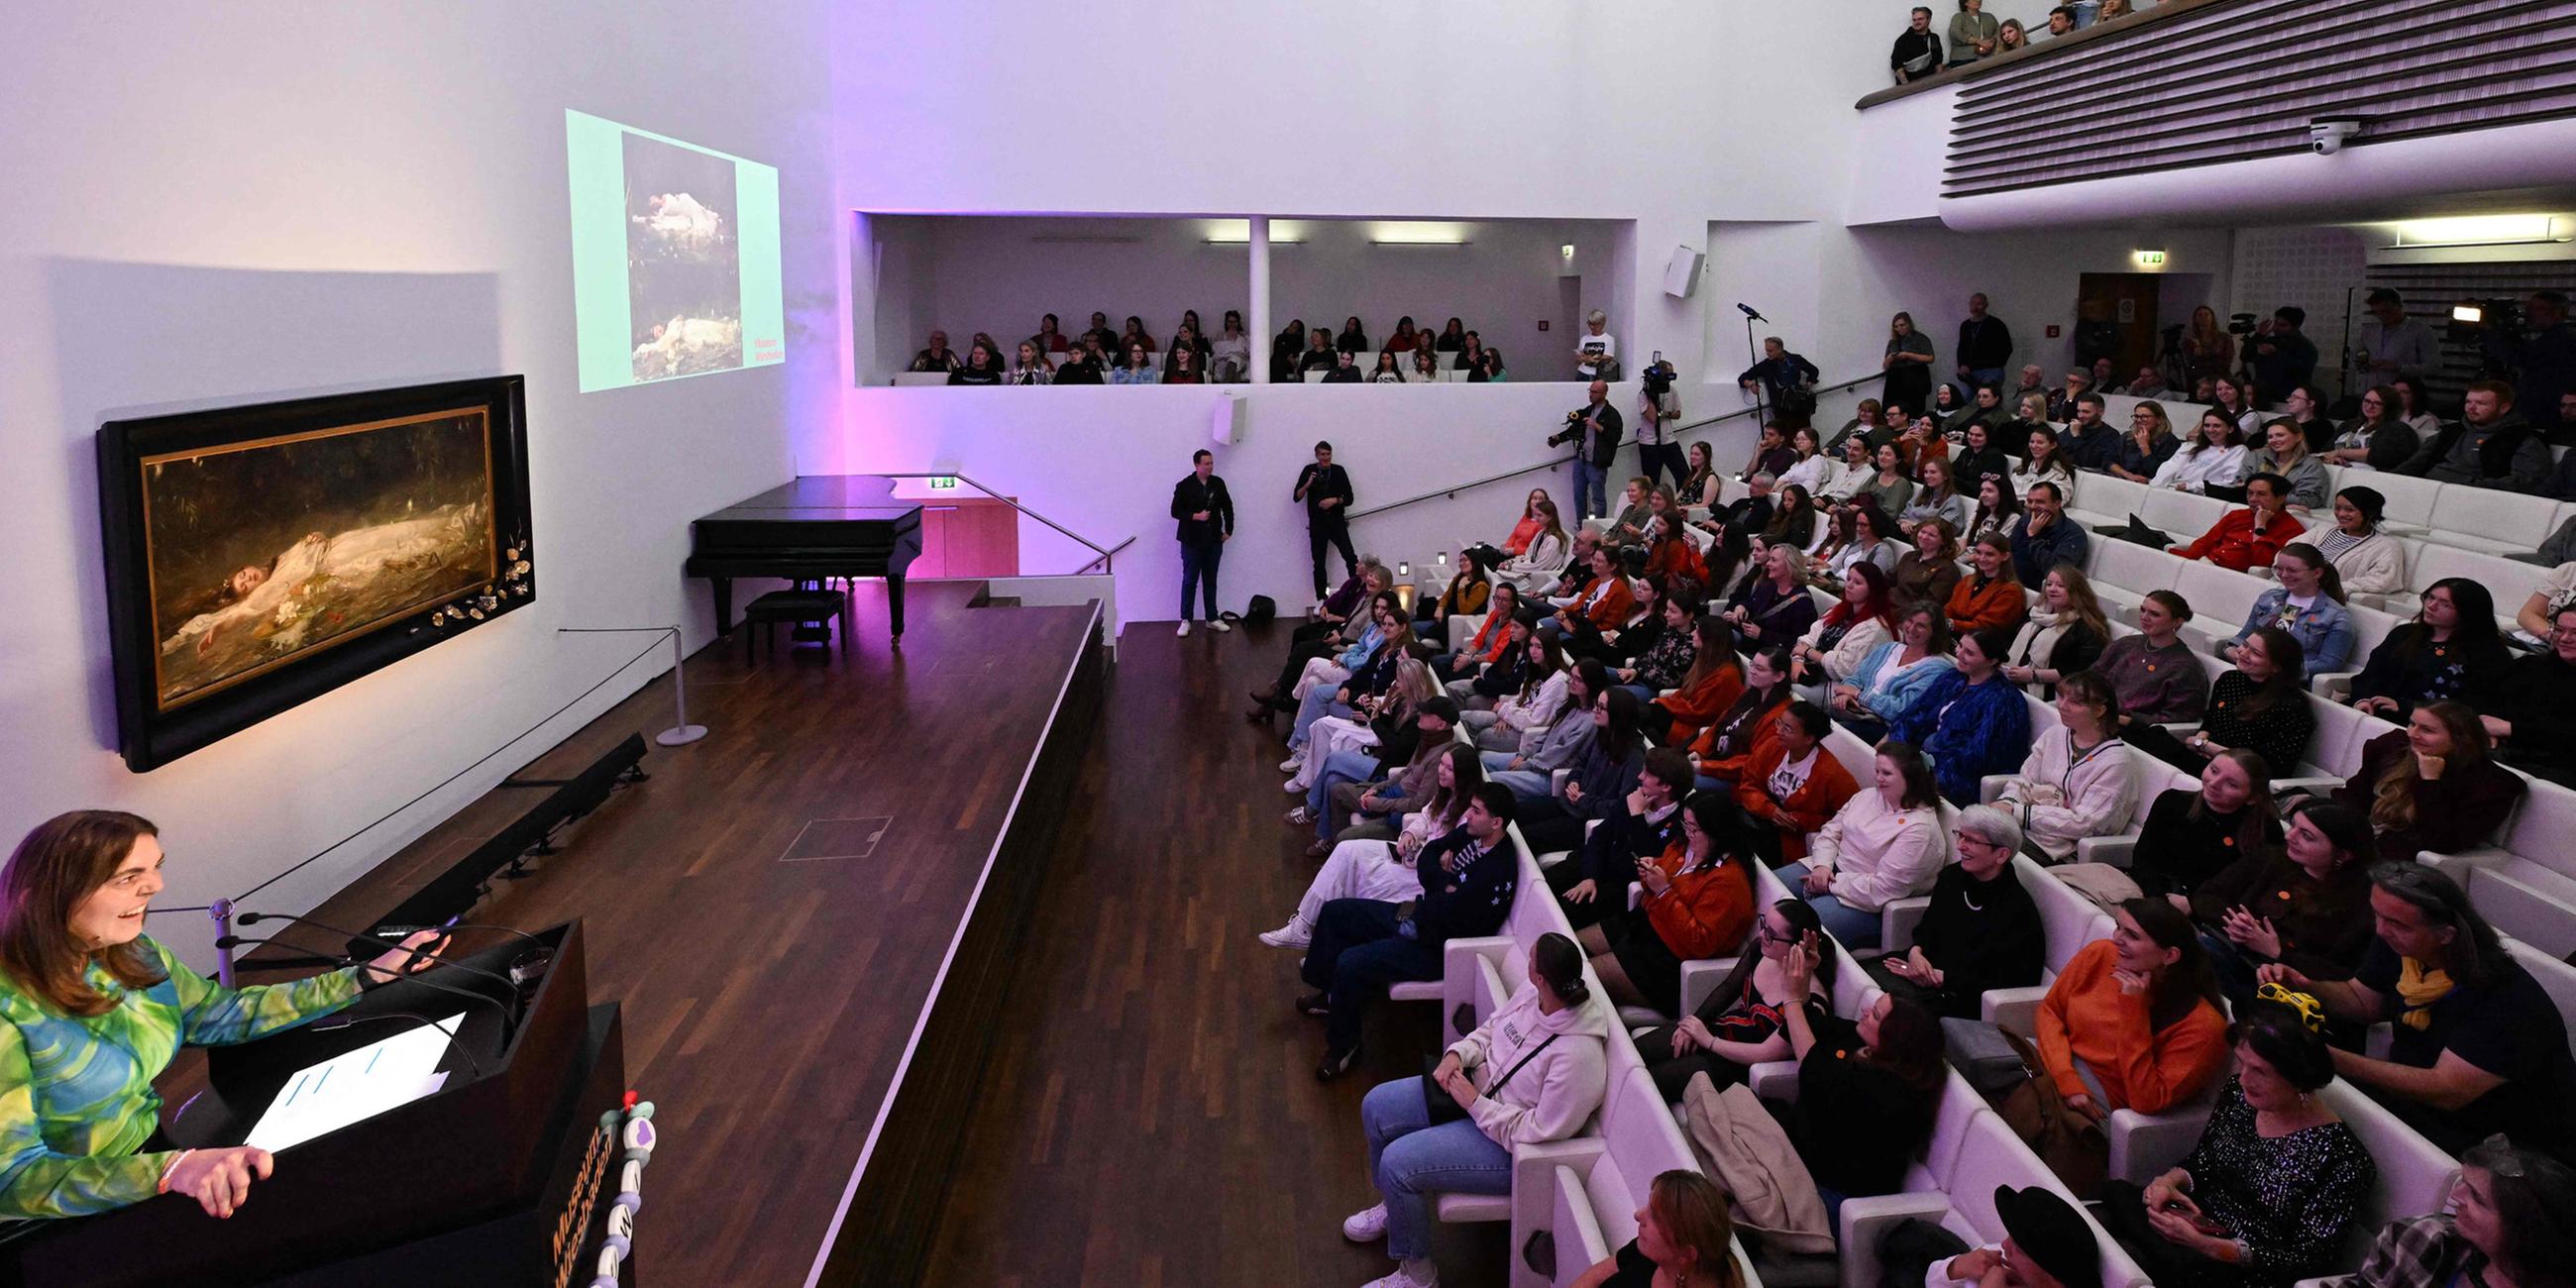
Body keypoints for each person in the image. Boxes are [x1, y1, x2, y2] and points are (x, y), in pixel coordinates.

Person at [0, 812, 449, 1222]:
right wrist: (170, 1170)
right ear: (44, 897)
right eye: (127, 877)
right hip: (63, 1218)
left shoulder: (129, 952)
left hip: (151, 1160)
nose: (155, 886)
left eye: (155, 867)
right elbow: (15, 1182)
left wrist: (364, 977)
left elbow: (221, 1015)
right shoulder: (8, 1009)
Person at [1345, 932, 1611, 1288]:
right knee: (1376, 1107)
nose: (1526, 965)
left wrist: (1475, 1103)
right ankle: (1395, 1211)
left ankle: (1419, 1276)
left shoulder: (1580, 1056)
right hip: (1474, 1095)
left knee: (1397, 1164)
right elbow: (1490, 1030)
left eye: (1530, 961)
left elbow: (1538, 1131)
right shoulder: (1534, 995)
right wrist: (1458, 1054)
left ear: (1541, 977)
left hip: (1507, 1148)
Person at [2258, 864, 2576, 1160]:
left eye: (2395, 923)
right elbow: (2363, 1001)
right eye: (2377, 916)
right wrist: (2307, 985)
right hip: (2421, 1107)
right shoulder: (2403, 946)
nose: (2380, 930)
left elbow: (2446, 1091)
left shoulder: (2507, 1001)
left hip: (2499, 1143)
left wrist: (2327, 1057)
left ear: (2446, 934)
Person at [2098, 1001, 2375, 1288]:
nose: (2244, 1079)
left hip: (2244, 1271)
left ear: (2300, 1078)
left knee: (2120, 1262)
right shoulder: (2239, 1096)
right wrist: (2169, 1183)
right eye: (2242, 1064)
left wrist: (2208, 1246)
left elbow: (2306, 1260)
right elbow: (2203, 1161)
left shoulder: (2344, 1159)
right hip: (2193, 1225)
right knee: (2090, 1230)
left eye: (2260, 1071)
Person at [1301, 784, 1521, 1078]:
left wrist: (1437, 888)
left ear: (1496, 823)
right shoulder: (1472, 833)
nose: (1467, 815)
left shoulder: (1497, 871)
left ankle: (1344, 1046)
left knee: (1351, 963)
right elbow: (1430, 853)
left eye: (1476, 811)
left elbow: (1454, 915)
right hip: (1418, 915)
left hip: (1433, 947)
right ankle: (1328, 993)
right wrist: (1444, 882)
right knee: (1335, 912)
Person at [1773, 942, 1944, 1226]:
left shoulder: (1892, 1094)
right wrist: (1808, 977)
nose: (1865, 1011)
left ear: (1894, 1040)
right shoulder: (1866, 1045)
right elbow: (1817, 1025)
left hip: (1828, 1191)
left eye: (1875, 1015)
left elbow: (1814, 1071)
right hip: (1798, 1153)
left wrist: (1790, 998)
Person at [1263, 745, 1483, 950]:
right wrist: (1409, 833)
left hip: (1422, 874)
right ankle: (1303, 924)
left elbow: (1445, 860)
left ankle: (1329, 943)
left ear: (1463, 775)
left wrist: (1418, 850)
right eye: (1442, 765)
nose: (1441, 771)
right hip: (1411, 850)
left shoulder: (1469, 814)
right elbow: (1426, 817)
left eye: (1449, 769)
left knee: (1366, 878)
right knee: (1346, 850)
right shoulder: (1446, 793)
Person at [2035, 899, 2231, 1127]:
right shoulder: (2100, 953)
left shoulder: (2203, 1025)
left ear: (2170, 956)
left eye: (2132, 936)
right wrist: (2065, 1078)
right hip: (2057, 1061)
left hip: (2100, 1107)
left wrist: (2133, 1009)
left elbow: (2147, 1100)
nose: (2116, 939)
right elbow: (2050, 1011)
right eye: (2118, 927)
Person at [1630, 899, 1832, 1100]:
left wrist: (1709, 1042)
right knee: (1632, 1056)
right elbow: (1727, 988)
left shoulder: (1810, 1003)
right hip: (1721, 1030)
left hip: (1737, 1065)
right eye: (1763, 925)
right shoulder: (1761, 950)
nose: (1762, 935)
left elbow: (1765, 1053)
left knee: (1644, 1084)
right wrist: (1696, 1022)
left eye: (1771, 934)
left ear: (1798, 946)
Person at [1579, 791, 1757, 1015]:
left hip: (1667, 962)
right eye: (1685, 824)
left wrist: (1664, 891)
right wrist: (1650, 872)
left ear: (1717, 831)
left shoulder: (1728, 882)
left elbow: (1700, 942)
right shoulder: (1682, 844)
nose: (1687, 832)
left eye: (1694, 828)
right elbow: (1660, 878)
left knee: (1575, 976)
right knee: (1570, 949)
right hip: (1642, 924)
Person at [2190, 799, 2378, 1010]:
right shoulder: (2270, 858)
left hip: (2293, 991)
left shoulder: (2364, 903)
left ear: (2342, 855)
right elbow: (2207, 896)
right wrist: (2237, 922)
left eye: (2306, 836)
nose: (2290, 836)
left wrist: (2277, 951)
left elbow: (2347, 975)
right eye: (2293, 826)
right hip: (2234, 955)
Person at [1868, 805, 2045, 1019]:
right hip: (1924, 969)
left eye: (1971, 841)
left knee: (1888, 1010)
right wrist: (1916, 954)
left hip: (1963, 996)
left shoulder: (2017, 911)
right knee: (1852, 974)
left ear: (2001, 854)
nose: (1960, 846)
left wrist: (1941, 978)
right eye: (1960, 836)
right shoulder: (1952, 878)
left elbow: (2007, 980)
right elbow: (1927, 928)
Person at [2342, 1137, 2576, 1288]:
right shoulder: (2423, 1236)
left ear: (2524, 1230)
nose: (2455, 1196)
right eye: (2462, 1182)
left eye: (2476, 1197)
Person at [1781, 740, 1945, 947]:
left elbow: (1883, 888)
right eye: (1877, 771)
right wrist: (1822, 866)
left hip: (1866, 905)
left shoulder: (1920, 830)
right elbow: (1830, 832)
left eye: (1886, 773)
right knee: (1770, 892)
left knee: (1796, 930)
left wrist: (1830, 883)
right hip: (1828, 870)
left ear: (1911, 779)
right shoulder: (1867, 796)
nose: (1878, 779)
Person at [2331, 700, 2526, 863]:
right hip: (2358, 839)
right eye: (2411, 723)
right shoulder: (2392, 746)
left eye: (2427, 730)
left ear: (2460, 739)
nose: (2412, 734)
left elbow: (2440, 841)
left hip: (2396, 862)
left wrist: (2430, 781)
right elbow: (2352, 797)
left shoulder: (2493, 784)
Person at [1993, 671, 2138, 862]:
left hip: (2059, 851)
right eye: (2061, 696)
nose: (2062, 706)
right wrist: (2007, 803)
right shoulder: (2055, 734)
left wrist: (2019, 812)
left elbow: (2086, 823)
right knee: (1971, 833)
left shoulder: (2115, 763)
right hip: (2021, 829)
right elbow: (2024, 782)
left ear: (2100, 710)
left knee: (1986, 853)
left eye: (2075, 702)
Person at [1550, 746, 1692, 931]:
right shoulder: (1635, 794)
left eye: (1647, 774)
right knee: (1544, 885)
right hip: (1593, 863)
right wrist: (1590, 876)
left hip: (1620, 884)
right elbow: (1600, 836)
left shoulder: (1681, 824)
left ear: (1666, 786)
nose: (1640, 777)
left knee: (1563, 910)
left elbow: (1647, 861)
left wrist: (1637, 817)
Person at [2135, 627, 2314, 775]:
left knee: (2151, 740)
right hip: (2204, 757)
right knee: (2145, 736)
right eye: (2245, 645)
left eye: (2255, 653)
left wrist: (2208, 747)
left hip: (2240, 774)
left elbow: (2271, 764)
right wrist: (2201, 738)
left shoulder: (2292, 706)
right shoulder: (2230, 679)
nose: (2242, 653)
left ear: (2276, 667)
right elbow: (2210, 722)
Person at [1891, 626, 2032, 805]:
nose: (1959, 654)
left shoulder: (2003, 701)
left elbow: (1979, 757)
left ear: (1992, 661)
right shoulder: (1954, 676)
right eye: (1960, 646)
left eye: (1970, 653)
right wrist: (1895, 748)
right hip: (1924, 759)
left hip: (1959, 778)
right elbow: (1916, 713)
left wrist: (1923, 772)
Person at [2125, 749, 2284, 904]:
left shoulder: (2266, 830)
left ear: (2252, 798)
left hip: (2209, 911)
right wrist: (2159, 900)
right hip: (2150, 893)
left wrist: (2192, 904)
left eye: (2231, 784)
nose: (2214, 783)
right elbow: (2143, 857)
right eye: (2214, 771)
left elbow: (2250, 890)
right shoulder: (2172, 801)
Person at [2347, 580, 2510, 720]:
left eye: (2445, 604)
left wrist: (2407, 708)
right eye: (2430, 597)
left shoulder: (2488, 653)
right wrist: (2363, 700)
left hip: (2429, 727)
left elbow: (2473, 706)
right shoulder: (2404, 634)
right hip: (2374, 712)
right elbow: (2370, 675)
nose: (2431, 606)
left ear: (2468, 613)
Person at [1726, 701, 1861, 867]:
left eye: (1788, 729)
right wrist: (1769, 809)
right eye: (1779, 723)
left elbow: (1848, 820)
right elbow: (1748, 782)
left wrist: (1801, 820)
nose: (1778, 731)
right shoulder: (1773, 745)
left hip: (1791, 841)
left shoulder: (1833, 775)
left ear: (1809, 738)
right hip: (1757, 821)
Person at [1567, 1170, 1748, 1288]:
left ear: (1685, 1255)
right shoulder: (1650, 1252)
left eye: (1654, 1216)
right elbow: (1599, 1273)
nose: (1638, 1215)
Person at [1922, 1186, 2108, 1288]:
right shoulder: (2002, 1259)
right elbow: (1930, 1281)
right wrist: (1957, 1267)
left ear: (2055, 1279)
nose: (2005, 1244)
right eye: (2011, 1236)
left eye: (2019, 1248)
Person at [2221, 543, 2352, 678]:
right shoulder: (2269, 598)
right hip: (2251, 674)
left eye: (2292, 570)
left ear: (2317, 573)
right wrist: (2231, 650)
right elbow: (2244, 636)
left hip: (2291, 685)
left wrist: (2275, 668)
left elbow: (2328, 665)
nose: (2283, 575)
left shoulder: (2337, 617)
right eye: (2279, 569)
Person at [1833, 605, 1956, 743]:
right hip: (1852, 711)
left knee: (1829, 734)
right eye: (1909, 621)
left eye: (1920, 626)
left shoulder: (1937, 669)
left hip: (1884, 728)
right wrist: (1845, 694)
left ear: (1934, 632)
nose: (1911, 628)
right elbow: (1857, 677)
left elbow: (1902, 710)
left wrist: (1858, 695)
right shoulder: (1888, 648)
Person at [2399, 379, 2549, 491]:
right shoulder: (2451, 432)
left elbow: (2525, 481)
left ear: (2504, 408)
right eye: (2468, 402)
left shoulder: (2523, 439)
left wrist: (2473, 486)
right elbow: (2414, 464)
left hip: (2478, 499)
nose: (2471, 408)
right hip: (2426, 490)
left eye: (2481, 403)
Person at [2491, 604, 2576, 787]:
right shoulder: (2531, 666)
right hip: (2506, 749)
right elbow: (2494, 700)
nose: (2565, 639)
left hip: (2560, 766)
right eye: (2559, 630)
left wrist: (2511, 729)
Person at [2098, 590, 2208, 729]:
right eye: (2143, 610)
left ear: (2177, 621)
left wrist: (2127, 720)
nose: (2144, 617)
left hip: (2131, 730)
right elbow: (2093, 677)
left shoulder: (2185, 667)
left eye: (2154, 614)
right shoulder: (2126, 644)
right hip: (2096, 714)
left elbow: (2180, 716)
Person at [1790, 563, 1896, 707]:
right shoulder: (1840, 609)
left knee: (1785, 689)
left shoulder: (1874, 628)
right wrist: (1798, 660)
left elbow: (1845, 668)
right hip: (1811, 670)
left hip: (1839, 687)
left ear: (1872, 591)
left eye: (1857, 582)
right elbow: (1810, 637)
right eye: (1848, 579)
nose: (1849, 585)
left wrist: (1808, 652)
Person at [1687, 647, 1790, 791]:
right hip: (1717, 762)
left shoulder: (1779, 716)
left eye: (1760, 669)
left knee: (1684, 780)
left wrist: (1705, 766)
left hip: (1739, 779)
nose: (1752, 671)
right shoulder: (1750, 695)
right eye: (1752, 665)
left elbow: (1752, 762)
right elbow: (1720, 725)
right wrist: (1699, 751)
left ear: (1779, 676)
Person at [2001, 565, 2108, 699]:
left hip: (2049, 691)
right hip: (2010, 678)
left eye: (2060, 586)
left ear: (2076, 591)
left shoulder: (2087, 627)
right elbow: (2009, 638)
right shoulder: (2036, 612)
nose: (2052, 589)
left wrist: (2033, 675)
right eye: (2049, 584)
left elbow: (2080, 671)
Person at [2481, 288, 2575, 439]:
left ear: (2558, 313)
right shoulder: (2555, 338)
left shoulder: (2560, 340)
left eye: (2537, 309)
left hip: (2546, 412)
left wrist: (2491, 333)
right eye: (2528, 308)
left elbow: (2517, 357)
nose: (2529, 314)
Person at [2170, 474, 2306, 573]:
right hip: (2206, 565)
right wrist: (2185, 565)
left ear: (2281, 498)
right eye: (2250, 493)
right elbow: (2205, 543)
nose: (2253, 499)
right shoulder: (2237, 515)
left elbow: (2263, 563)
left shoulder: (2293, 530)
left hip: (2236, 578)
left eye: (2261, 494)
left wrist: (2260, 527)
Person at [1170, 450, 1234, 636]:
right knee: (1189, 580)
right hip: (1191, 541)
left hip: (1213, 540)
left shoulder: (1218, 483)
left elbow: (1228, 506)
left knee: (1210, 580)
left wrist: (1229, 530)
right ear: (1196, 465)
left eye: (1211, 463)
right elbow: (1175, 511)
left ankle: (1212, 617)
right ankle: (1186, 619)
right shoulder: (1185, 485)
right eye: (1206, 463)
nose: (1210, 467)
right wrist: (1195, 516)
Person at [1550, 380, 1626, 522]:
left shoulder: (1612, 414)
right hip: (1581, 459)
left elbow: (1615, 437)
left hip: (1597, 462)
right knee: (1579, 494)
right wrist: (1558, 438)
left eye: (1594, 392)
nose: (1591, 394)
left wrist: (1597, 426)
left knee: (1598, 498)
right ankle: (1581, 525)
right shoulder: (1588, 410)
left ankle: (1598, 527)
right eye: (1590, 391)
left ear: (1604, 393)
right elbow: (1574, 429)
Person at [2308, 487, 2405, 597]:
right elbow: (2290, 551)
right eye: (2337, 508)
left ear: (2369, 513)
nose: (2341, 514)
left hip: (2327, 598)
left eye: (2349, 509)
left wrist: (2332, 588)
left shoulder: (2387, 546)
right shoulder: (2322, 530)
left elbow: (2382, 581)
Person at [1723, 542, 1817, 655]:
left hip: (1769, 654)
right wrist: (1741, 607)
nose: (1767, 564)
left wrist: (1762, 634)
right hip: (1748, 642)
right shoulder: (1769, 586)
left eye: (1773, 560)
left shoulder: (1803, 603)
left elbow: (1799, 642)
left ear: (1789, 565)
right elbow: (1750, 603)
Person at [2237, 420, 2328, 512]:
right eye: (2270, 437)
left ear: (2298, 437)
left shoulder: (2312, 465)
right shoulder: (2256, 456)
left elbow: (2309, 499)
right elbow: (2245, 485)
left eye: (2280, 435)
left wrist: (2271, 498)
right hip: (2246, 502)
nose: (2274, 440)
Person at [2326, 384, 2421, 473]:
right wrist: (2331, 458)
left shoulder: (2398, 429)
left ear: (2389, 407)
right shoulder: (2348, 425)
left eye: (2378, 403)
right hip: (2333, 471)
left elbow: (2382, 456)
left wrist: (2340, 452)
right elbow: (2326, 450)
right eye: (2367, 401)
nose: (2370, 406)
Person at [1948, 532, 2028, 637]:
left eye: (1989, 554)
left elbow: (1985, 627)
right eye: (1978, 552)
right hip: (1951, 634)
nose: (1982, 558)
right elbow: (1949, 609)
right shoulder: (1968, 580)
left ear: (2005, 556)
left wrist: (1950, 624)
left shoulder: (2011, 591)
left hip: (1977, 644)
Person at [2153, 409, 2250, 494]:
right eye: (2207, 425)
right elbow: (2169, 468)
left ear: (2230, 429)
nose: (2211, 430)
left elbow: (2231, 482)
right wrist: (2153, 488)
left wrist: (2192, 486)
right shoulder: (2190, 446)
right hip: (2171, 489)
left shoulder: (2239, 450)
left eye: (2217, 426)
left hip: (2202, 495)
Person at [2011, 483, 2089, 589]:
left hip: (2041, 589)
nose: (2033, 507)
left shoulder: (2073, 534)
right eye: (2030, 501)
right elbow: (2010, 551)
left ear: (2057, 504)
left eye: (2040, 502)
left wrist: (2033, 537)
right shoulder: (2025, 520)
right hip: (2012, 581)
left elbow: (2056, 570)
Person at [1496, 497, 1573, 595]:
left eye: (1539, 515)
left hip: (1534, 578)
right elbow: (1528, 554)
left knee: (1498, 584)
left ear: (1550, 517)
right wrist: (1511, 562)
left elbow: (1540, 566)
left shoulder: (1554, 541)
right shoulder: (1541, 533)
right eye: (1535, 515)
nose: (1536, 518)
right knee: (1495, 576)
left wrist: (1512, 567)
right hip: (1527, 571)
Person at [2246, 307, 2319, 406]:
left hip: (2288, 398)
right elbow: (2246, 356)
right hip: (2262, 396)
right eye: (2275, 323)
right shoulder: (2270, 341)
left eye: (2283, 325)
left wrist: (2275, 353)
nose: (2276, 328)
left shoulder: (2305, 346)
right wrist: (2258, 336)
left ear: (2296, 326)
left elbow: (2301, 369)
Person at [1892, 518, 1964, 617]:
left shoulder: (1946, 570)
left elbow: (1928, 606)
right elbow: (1888, 580)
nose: (1924, 537)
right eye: (1923, 532)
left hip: (1907, 616)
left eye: (1931, 535)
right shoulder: (1909, 556)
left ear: (1943, 541)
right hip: (1888, 605)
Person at [1737, 336, 1821, 417]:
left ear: (1780, 349)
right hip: (1779, 407)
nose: (1767, 353)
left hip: (1798, 403)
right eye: (1766, 350)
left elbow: (1814, 370)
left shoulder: (1795, 359)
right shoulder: (1765, 365)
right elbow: (1742, 377)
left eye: (1770, 351)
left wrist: (1809, 383)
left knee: (1803, 430)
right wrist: (1750, 384)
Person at [1956, 291, 2014, 387]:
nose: (1974, 307)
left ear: (1986, 305)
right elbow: (1961, 347)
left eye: (1979, 304)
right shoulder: (1965, 325)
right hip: (1971, 372)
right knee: (1965, 400)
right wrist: (1962, 364)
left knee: (1987, 398)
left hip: (1991, 371)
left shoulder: (1996, 324)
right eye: (1972, 303)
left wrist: (1996, 365)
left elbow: (2007, 348)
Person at [1883, 311, 1937, 416]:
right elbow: (1885, 365)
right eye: (1896, 326)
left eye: (1902, 325)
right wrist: (1890, 358)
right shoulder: (1893, 342)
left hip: (1916, 376)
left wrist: (1908, 355)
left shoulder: (1920, 338)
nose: (1899, 328)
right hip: (1896, 378)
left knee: (1915, 410)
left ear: (1909, 324)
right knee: (1894, 409)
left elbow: (1930, 358)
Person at [2057, 393, 2121, 472]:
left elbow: (2087, 461)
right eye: (2078, 411)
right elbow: (2056, 448)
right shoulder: (2075, 426)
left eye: (2086, 412)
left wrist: (2076, 437)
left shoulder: (2110, 434)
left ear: (2100, 412)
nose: (2080, 416)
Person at [1891, 5, 1945, 81]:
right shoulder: (1903, 40)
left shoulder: (1934, 38)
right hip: (1913, 86)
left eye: (1920, 19)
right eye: (1914, 20)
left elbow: (1938, 62)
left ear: (1929, 19)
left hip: (1931, 83)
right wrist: (1908, 88)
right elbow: (1897, 66)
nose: (1917, 22)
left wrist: (1940, 81)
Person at [1967, 475, 2024, 545]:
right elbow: (1964, 541)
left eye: (1989, 491)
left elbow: (1994, 547)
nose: (1983, 495)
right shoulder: (1977, 514)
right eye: (1982, 490)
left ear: (2003, 494)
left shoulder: (2013, 518)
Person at [1573, 309, 1617, 381]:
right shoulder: (1584, 338)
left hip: (1599, 375)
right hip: (1583, 373)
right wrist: (1582, 359)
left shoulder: (1608, 339)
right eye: (1589, 324)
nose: (1592, 327)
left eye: (1594, 324)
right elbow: (1578, 359)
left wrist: (1591, 358)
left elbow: (1609, 357)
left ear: (1602, 324)